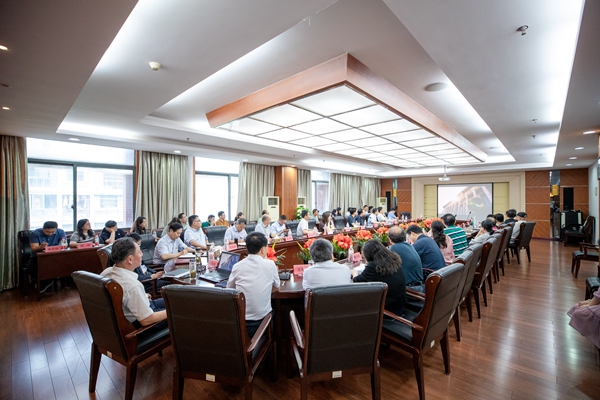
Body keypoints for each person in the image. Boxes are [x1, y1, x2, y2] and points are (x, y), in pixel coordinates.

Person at [101, 237, 167, 327]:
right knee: (182, 311)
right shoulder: (133, 285)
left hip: (140, 308)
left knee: (176, 300)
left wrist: (142, 295)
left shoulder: (106, 272)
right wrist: (174, 312)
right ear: (130, 259)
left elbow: (126, 296)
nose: (142, 254)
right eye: (139, 252)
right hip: (145, 322)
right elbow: (147, 320)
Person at [226, 232, 280, 338]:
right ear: (263, 249)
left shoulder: (237, 266)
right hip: (262, 324)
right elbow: (276, 288)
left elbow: (230, 290)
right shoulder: (270, 264)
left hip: (239, 322)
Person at [353, 239, 406, 315]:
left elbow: (356, 281)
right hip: (400, 305)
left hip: (388, 311)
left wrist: (354, 272)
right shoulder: (394, 258)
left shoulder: (373, 266)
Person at [388, 226, 424, 291]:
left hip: (410, 290)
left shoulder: (393, 249)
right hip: (420, 287)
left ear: (390, 240)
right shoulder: (410, 246)